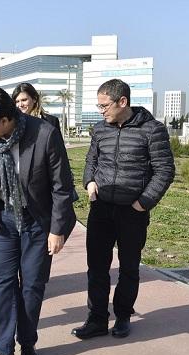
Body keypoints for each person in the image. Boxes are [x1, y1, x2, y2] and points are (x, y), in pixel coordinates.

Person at [0, 87, 76, 355]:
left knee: (32, 285)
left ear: (4, 120)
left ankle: (27, 346)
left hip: (37, 220)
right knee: (2, 283)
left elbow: (62, 186)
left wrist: (57, 229)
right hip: (3, 218)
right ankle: (1, 350)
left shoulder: (44, 134)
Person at [72, 79, 175, 340]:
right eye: (99, 105)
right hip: (101, 208)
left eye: (104, 105)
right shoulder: (99, 130)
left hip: (133, 212)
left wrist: (144, 202)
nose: (101, 111)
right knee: (96, 267)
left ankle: (123, 316)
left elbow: (164, 170)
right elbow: (91, 160)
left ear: (122, 102)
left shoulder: (152, 130)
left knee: (129, 267)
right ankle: (96, 318)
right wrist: (90, 182)